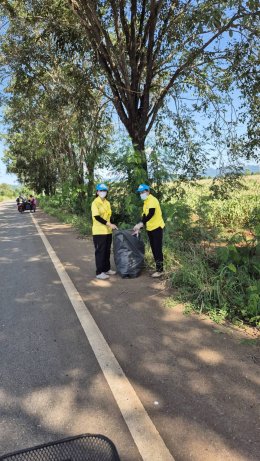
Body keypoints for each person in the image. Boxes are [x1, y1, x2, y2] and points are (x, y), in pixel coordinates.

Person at [133, 184, 165, 278]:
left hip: (157, 228)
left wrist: (140, 224)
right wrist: (140, 226)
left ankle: (160, 270)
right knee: (154, 248)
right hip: (150, 228)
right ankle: (158, 269)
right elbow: (144, 216)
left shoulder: (152, 200)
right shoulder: (146, 202)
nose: (141, 194)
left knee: (157, 248)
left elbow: (151, 214)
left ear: (148, 191)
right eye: (140, 193)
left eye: (143, 192)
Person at [91, 183, 118, 280]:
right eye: (101, 190)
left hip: (108, 231)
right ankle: (99, 272)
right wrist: (109, 224)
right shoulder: (95, 203)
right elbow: (97, 217)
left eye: (104, 191)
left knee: (107, 251)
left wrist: (113, 224)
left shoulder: (107, 202)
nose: (103, 192)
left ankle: (107, 269)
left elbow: (109, 216)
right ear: (97, 192)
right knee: (100, 251)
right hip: (99, 231)